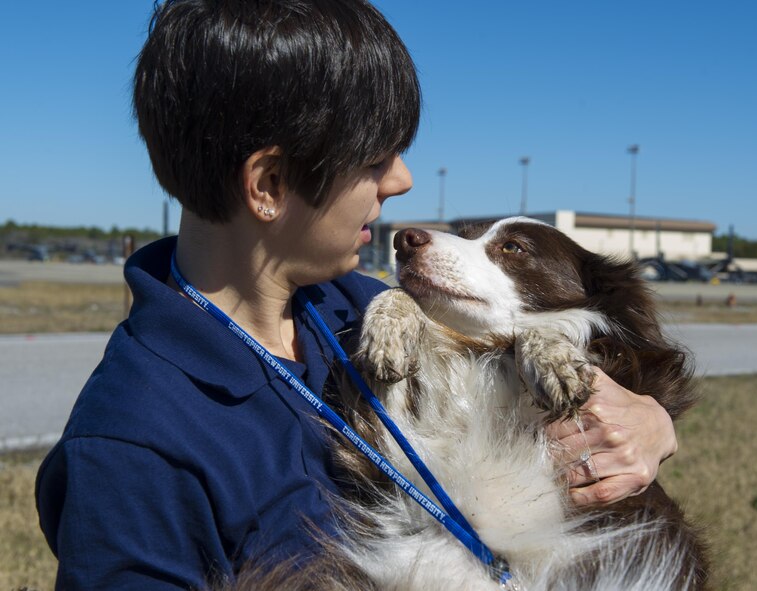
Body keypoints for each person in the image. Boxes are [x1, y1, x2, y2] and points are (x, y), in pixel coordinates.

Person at [35, 1, 677, 589]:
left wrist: (649, 422)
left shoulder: (356, 305)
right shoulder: (131, 449)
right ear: (270, 183)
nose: (401, 179)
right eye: (374, 157)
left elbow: (560, 366)